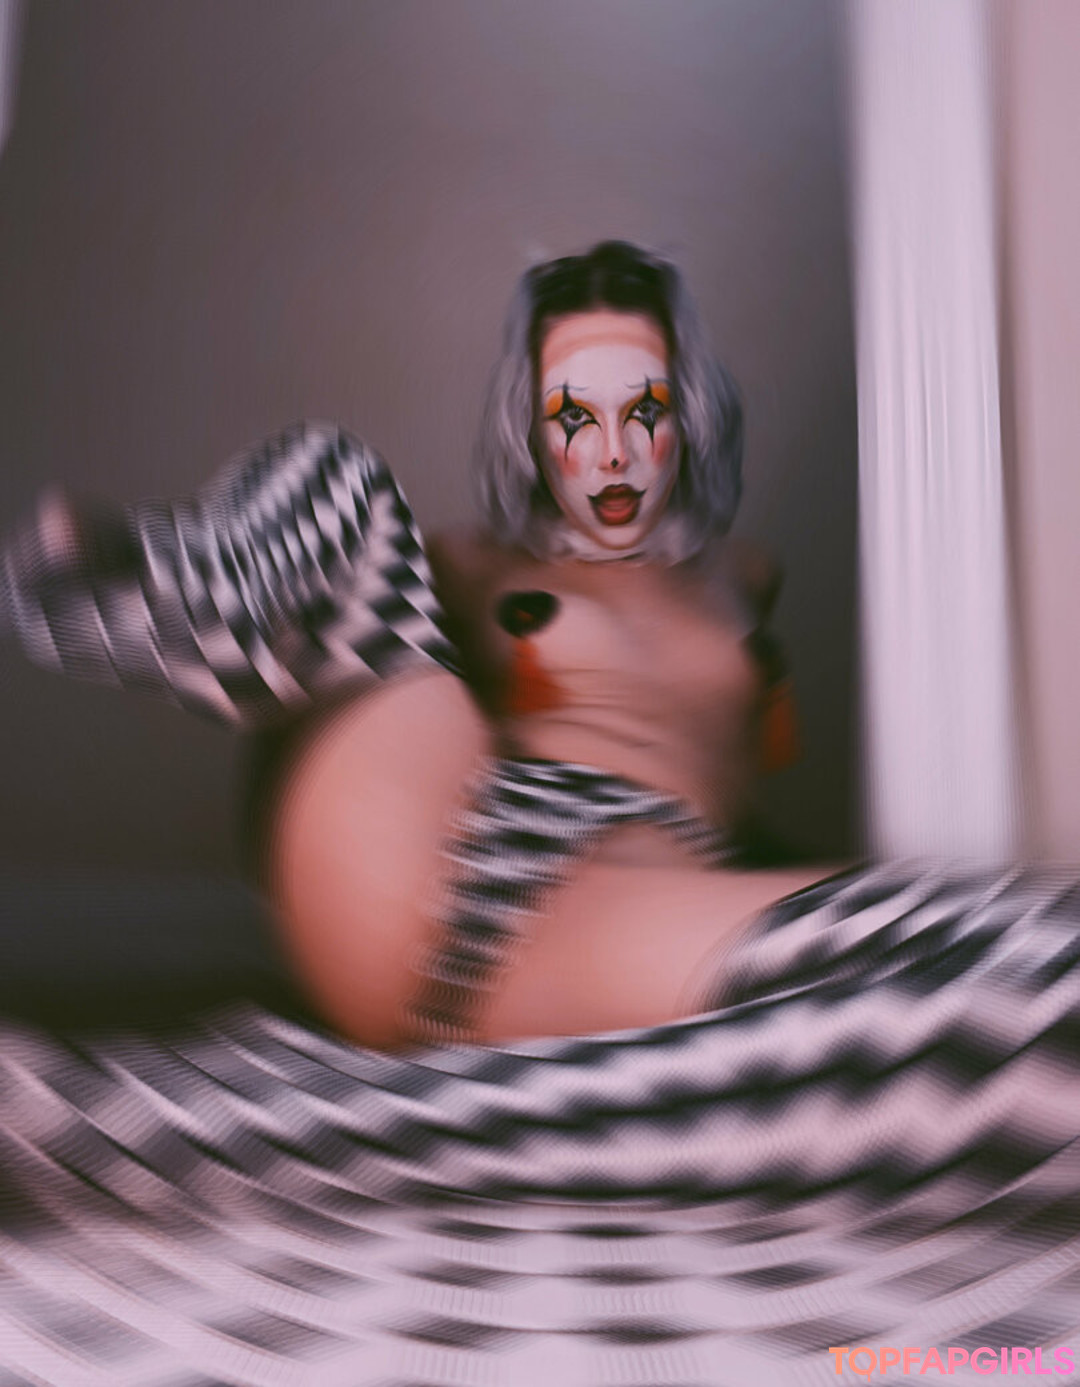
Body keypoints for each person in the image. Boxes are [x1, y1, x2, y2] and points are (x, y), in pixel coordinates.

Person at [1, 241, 832, 1049]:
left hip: (631, 895)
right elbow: (353, 658)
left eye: (644, 410)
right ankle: (178, 583)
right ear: (530, 430)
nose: (612, 453)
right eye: (573, 418)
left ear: (689, 412)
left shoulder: (744, 577)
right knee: (343, 484)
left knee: (889, 929)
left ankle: (198, 597)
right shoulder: (479, 564)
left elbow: (739, 784)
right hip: (475, 840)